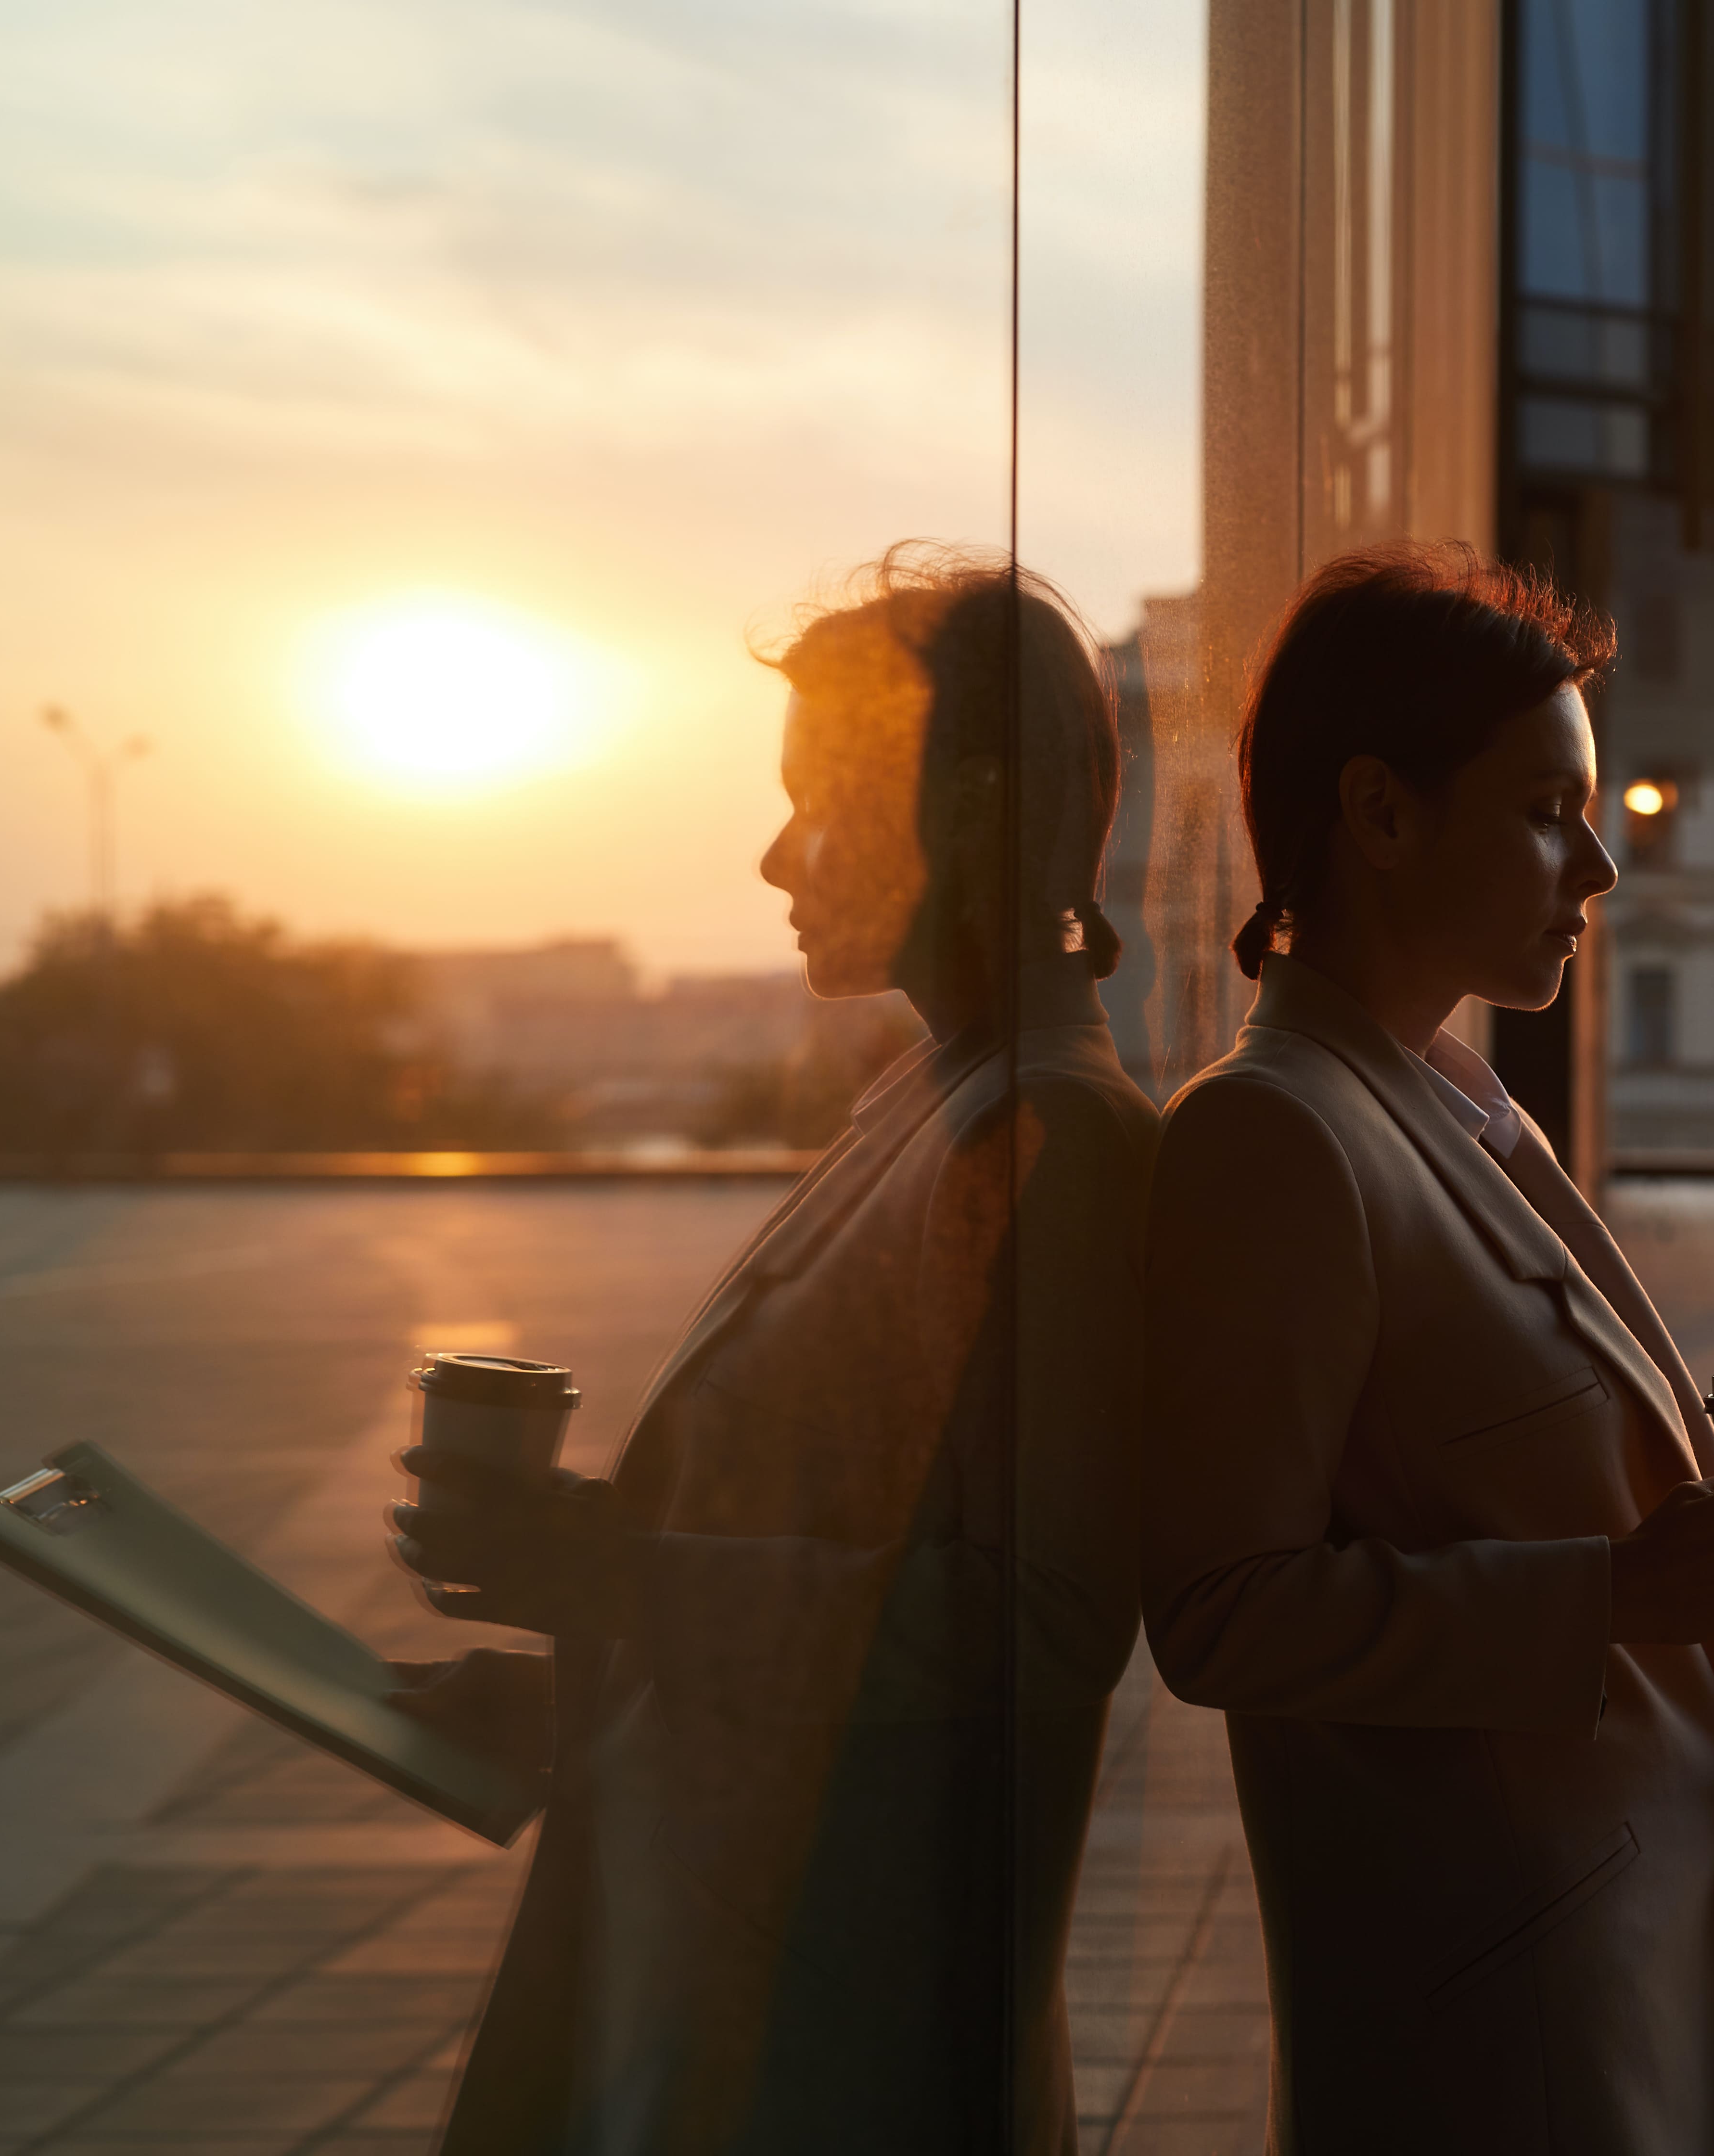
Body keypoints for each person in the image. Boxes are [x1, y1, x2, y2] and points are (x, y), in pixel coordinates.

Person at [1140, 543, 1714, 2155]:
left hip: (1623, 1964)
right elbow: (1221, 1615)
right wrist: (1634, 1594)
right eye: (1543, 810)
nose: (1597, 865)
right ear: (1380, 815)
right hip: (1500, 2033)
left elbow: (1482, 1538)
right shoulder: (1269, 1136)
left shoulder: (1447, 1106)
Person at [385, 546, 1159, 2155]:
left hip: (840, 2032)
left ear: (967, 807)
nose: (772, 856)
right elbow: (843, 1566)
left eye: (818, 798)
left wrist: (623, 1582)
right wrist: (587, 1686)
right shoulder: (934, 1106)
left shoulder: (1059, 1140)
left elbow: (1042, 1622)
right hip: (751, 1986)